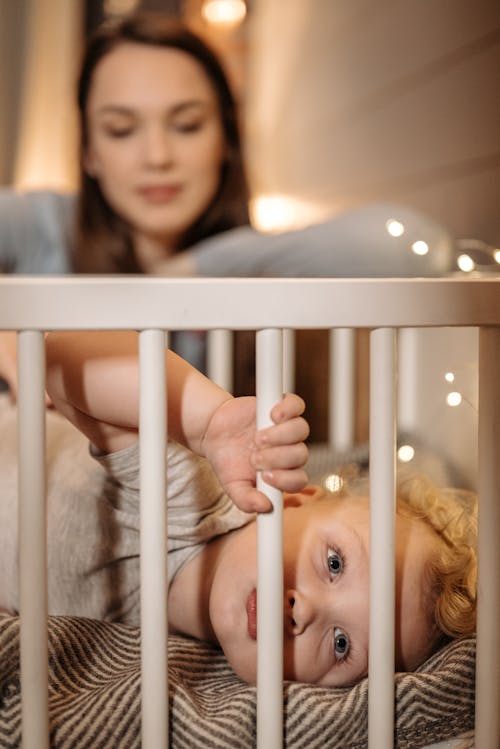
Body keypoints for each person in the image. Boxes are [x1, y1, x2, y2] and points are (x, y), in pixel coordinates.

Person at [0, 330, 475, 687]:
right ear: (294, 499)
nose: (302, 610)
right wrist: (205, 422)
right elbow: (63, 359)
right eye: (334, 563)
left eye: (341, 644)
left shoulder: (164, 666)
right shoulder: (192, 499)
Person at [0, 9, 249, 394]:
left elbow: (376, 239)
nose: (157, 156)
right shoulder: (38, 225)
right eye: (121, 130)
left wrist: (194, 266)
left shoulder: (256, 266)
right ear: (89, 151)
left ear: (227, 140)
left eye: (187, 125)